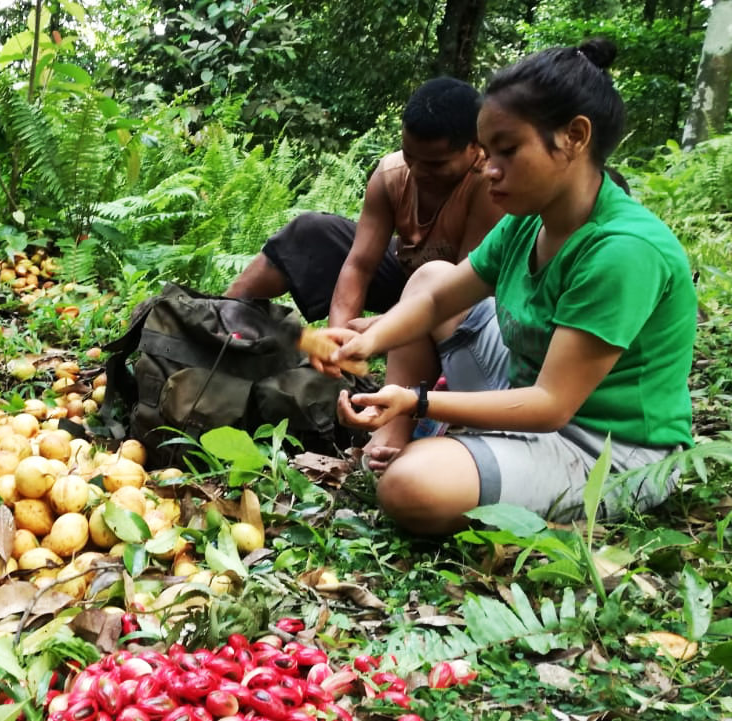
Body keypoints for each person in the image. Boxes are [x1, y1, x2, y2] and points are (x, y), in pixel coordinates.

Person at [308, 38, 696, 535]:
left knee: (411, 488)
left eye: (508, 151)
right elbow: (436, 299)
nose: (489, 169)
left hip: (606, 450)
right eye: (487, 152)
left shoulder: (622, 250)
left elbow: (552, 404)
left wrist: (418, 399)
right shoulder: (526, 222)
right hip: (524, 392)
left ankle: (437, 453)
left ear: (575, 137)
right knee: (431, 274)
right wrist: (367, 341)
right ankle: (396, 439)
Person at [226, 77, 505, 331]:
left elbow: (463, 291)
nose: (418, 171)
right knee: (311, 231)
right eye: (410, 156)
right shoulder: (390, 174)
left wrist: (380, 331)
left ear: (475, 147)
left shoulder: (488, 185)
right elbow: (359, 267)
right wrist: (341, 342)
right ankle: (218, 318)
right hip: (407, 273)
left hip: (459, 298)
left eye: (435, 164)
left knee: (443, 291)